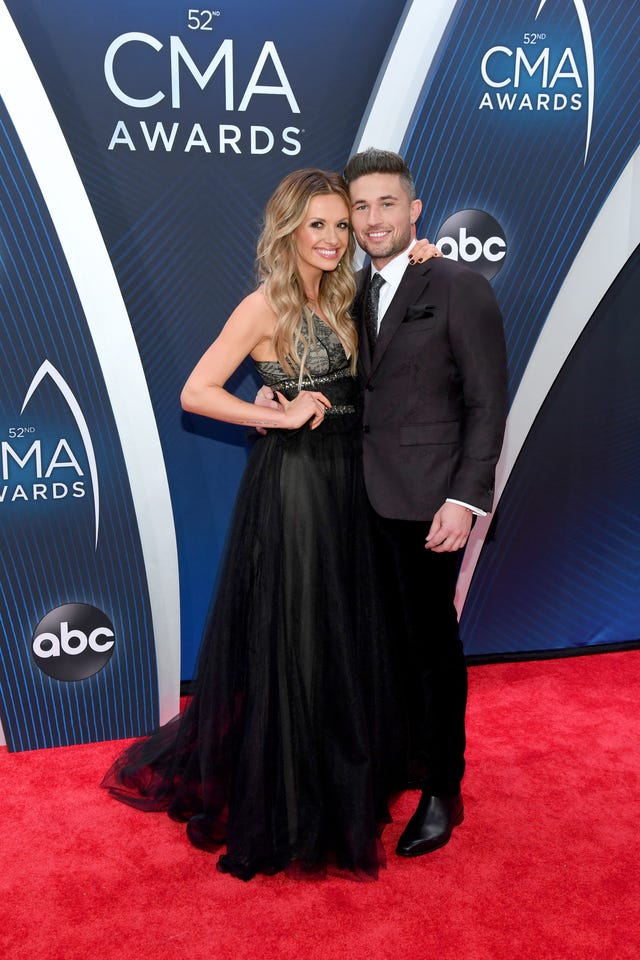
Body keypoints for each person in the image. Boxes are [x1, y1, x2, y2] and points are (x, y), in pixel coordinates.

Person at [102, 168, 435, 881]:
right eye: (317, 224)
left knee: (349, 631)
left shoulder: (353, 296)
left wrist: (421, 257)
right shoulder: (264, 306)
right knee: (302, 637)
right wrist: (274, 413)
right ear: (288, 229)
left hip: (355, 484)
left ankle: (345, 773)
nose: (332, 237)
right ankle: (293, 799)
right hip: (298, 486)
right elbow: (197, 391)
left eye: (341, 225)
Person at [341, 148, 508, 857]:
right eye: (361, 207)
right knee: (376, 643)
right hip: (355, 499)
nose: (374, 218)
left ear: (414, 210)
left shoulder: (458, 284)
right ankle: (400, 756)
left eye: (387, 204)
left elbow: (486, 400)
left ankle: (445, 784)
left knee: (432, 646)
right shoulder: (344, 293)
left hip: (429, 503)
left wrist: (465, 499)